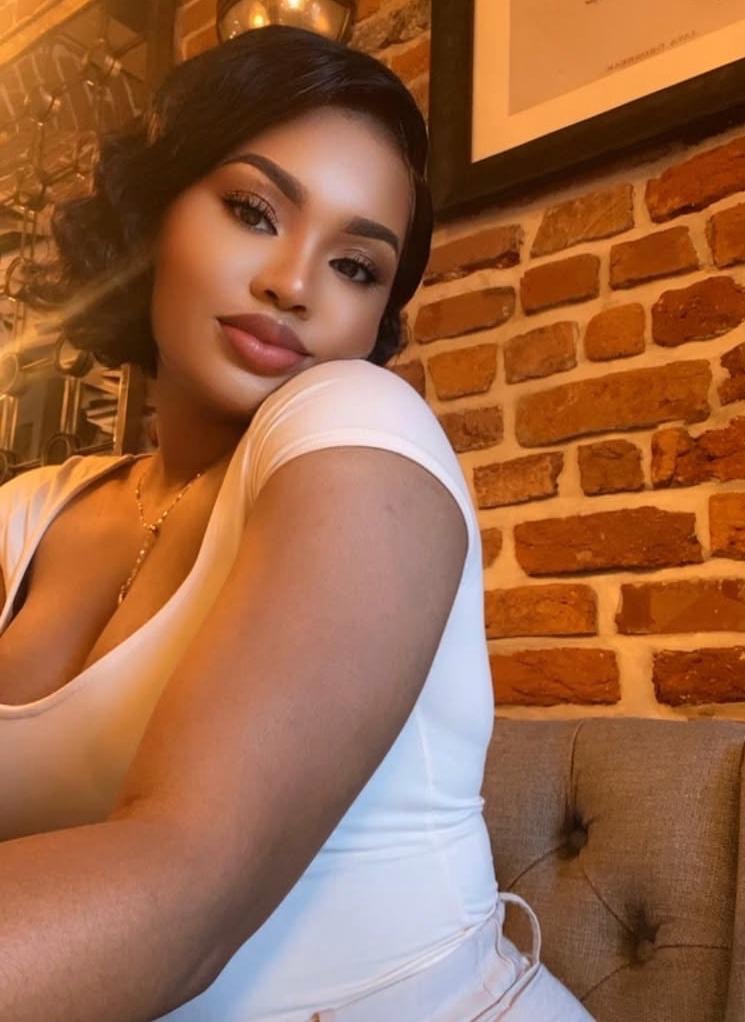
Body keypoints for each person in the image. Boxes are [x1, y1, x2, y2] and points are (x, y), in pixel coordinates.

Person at [0, 24, 595, 1022]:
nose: (293, 282)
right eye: (252, 211)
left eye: (356, 266)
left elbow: (185, 894)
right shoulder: (31, 510)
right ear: (153, 219)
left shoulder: (358, 422)